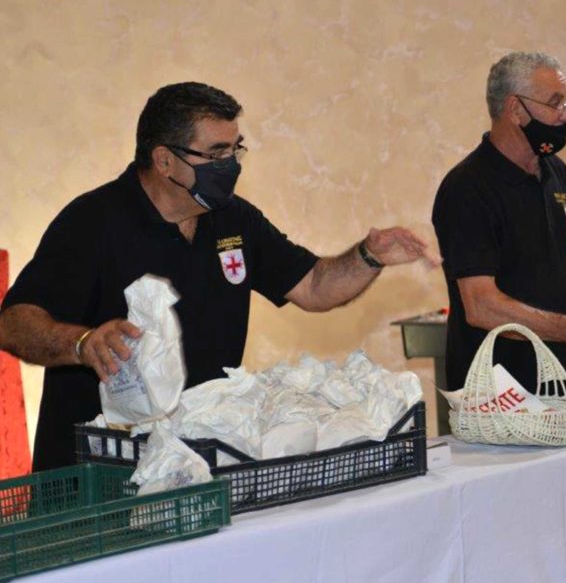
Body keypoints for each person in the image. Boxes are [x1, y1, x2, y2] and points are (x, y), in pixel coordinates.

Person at [0, 82, 438, 471]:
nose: (230, 165)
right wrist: (82, 343)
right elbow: (14, 323)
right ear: (165, 160)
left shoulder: (233, 219)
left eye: (235, 150)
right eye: (216, 154)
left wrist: (369, 256)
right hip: (95, 471)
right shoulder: (93, 222)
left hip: (193, 463)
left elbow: (313, 286)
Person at [431, 52, 566, 399]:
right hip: (498, 397)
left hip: (562, 387)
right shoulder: (468, 188)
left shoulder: (556, 172)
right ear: (515, 109)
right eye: (555, 103)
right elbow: (481, 305)